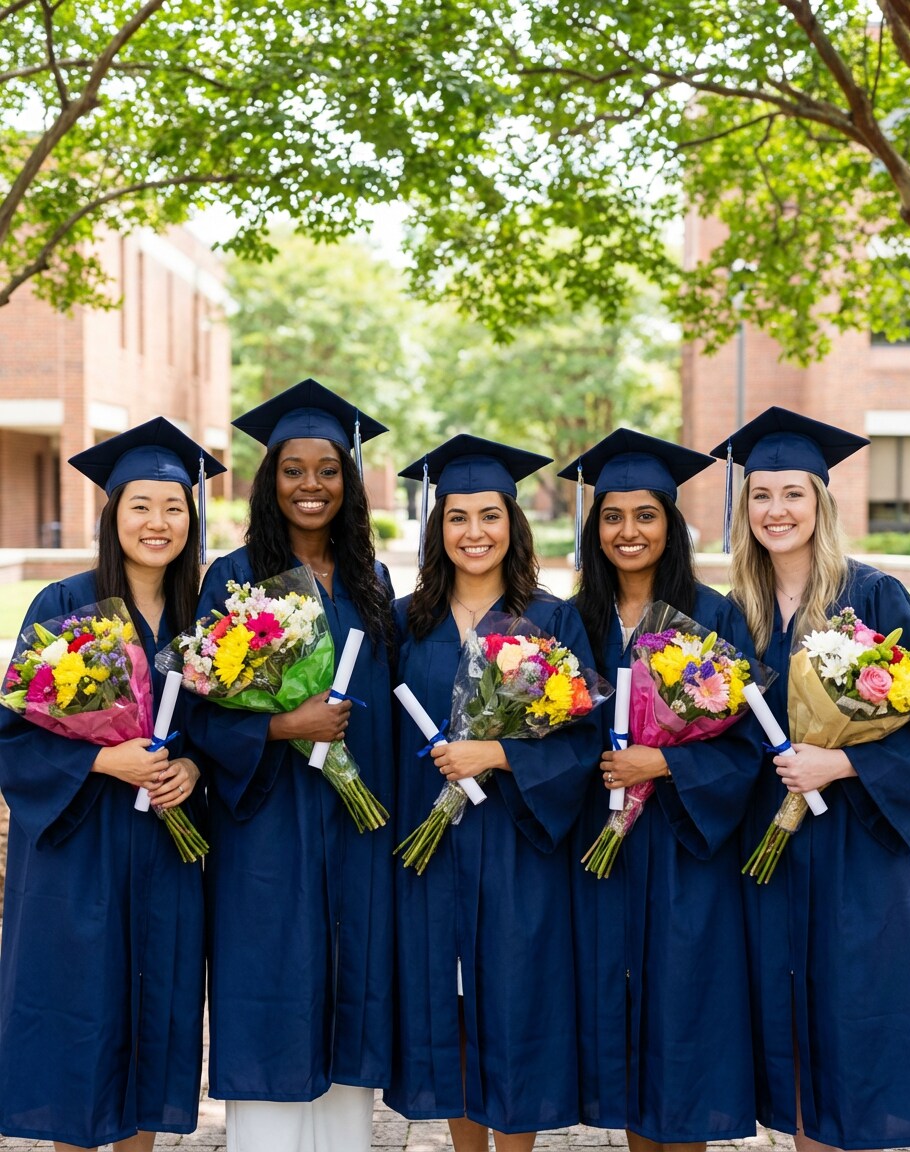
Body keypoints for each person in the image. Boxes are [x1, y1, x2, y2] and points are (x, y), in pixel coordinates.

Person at [0, 418, 224, 1151]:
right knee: (82, 1026)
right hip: (82, 850)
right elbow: (13, 733)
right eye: (141, 506)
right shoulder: (63, 605)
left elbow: (220, 729)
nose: (158, 523)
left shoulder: (207, 620)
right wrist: (102, 761)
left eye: (173, 508)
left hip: (165, 851)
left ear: (192, 518)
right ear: (113, 513)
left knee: (153, 1026)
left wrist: (191, 766)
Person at [712, 406, 910, 1152]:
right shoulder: (732, 613)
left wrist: (842, 762)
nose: (777, 511)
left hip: (858, 852)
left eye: (792, 494)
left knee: (851, 1025)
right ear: (745, 510)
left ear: (821, 502)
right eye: (761, 496)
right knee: (789, 1029)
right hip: (769, 853)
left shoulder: (875, 597)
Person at [189, 378, 395, 1152]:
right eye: (293, 469)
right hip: (265, 834)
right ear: (269, 481)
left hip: (356, 832)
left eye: (329, 469)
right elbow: (201, 716)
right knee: (271, 999)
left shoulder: (375, 586)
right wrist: (283, 726)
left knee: (351, 1006)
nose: (312, 485)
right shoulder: (231, 581)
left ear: (350, 481)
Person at [385, 435, 602, 1152]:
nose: (473, 532)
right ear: (436, 527)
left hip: (518, 850)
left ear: (514, 524)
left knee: (515, 1011)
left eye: (489, 516)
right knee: (448, 1018)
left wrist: (500, 753)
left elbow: (583, 743)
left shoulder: (552, 617)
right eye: (457, 517)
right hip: (430, 849)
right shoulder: (405, 621)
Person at [560, 428, 760, 1152]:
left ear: (671, 525)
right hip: (597, 858)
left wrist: (666, 766)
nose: (628, 531)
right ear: (595, 528)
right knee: (626, 1045)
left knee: (682, 1033)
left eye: (645, 515)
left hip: (683, 858)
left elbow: (748, 745)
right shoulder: (570, 620)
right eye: (612, 516)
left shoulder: (713, 617)